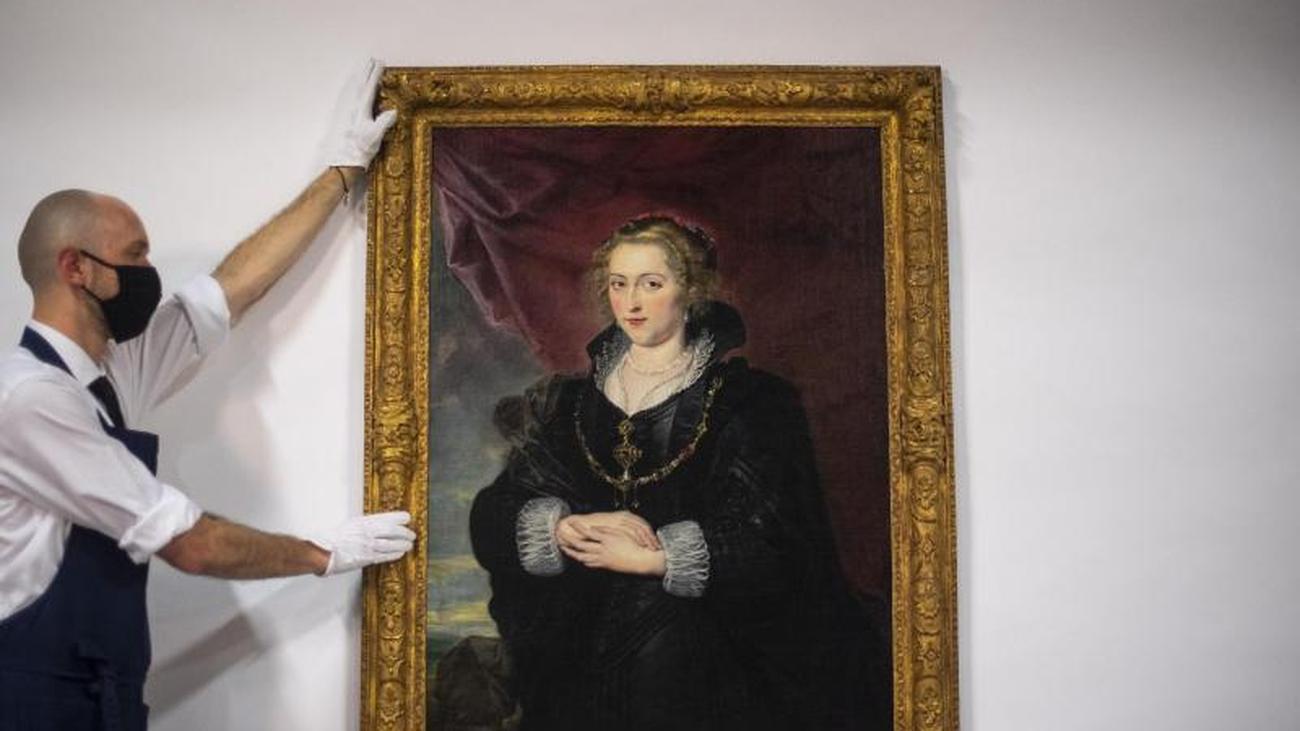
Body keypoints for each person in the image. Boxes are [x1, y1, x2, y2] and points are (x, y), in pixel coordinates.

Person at [0, 60, 414, 730]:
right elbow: (189, 542)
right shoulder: (30, 399)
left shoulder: (110, 372)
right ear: (76, 267)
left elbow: (230, 290)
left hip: (101, 693)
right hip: (31, 698)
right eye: (135, 256)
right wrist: (324, 551)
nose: (148, 272)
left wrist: (342, 171)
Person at [469, 216, 889, 731]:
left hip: (706, 651)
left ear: (691, 290)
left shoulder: (752, 402)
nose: (632, 302)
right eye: (619, 284)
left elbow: (779, 542)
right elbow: (495, 510)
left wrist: (658, 559)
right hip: (580, 640)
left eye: (651, 283)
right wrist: (562, 528)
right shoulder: (569, 402)